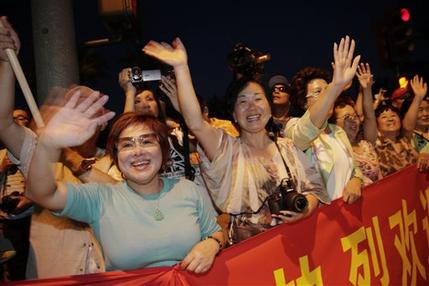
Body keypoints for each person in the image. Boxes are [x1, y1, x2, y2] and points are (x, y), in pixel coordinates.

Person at [143, 38, 329, 244]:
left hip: (296, 250)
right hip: (249, 255)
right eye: (243, 101)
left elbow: (314, 189)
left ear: (268, 105)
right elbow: (195, 122)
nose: (252, 107)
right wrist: (181, 67)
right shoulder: (226, 149)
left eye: (258, 99)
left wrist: (306, 209)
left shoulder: (288, 147)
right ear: (234, 114)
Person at [25, 89, 224, 273]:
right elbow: (42, 194)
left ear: (163, 151)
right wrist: (48, 143)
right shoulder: (100, 198)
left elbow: (216, 233)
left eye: (147, 141)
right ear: (116, 156)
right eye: (127, 145)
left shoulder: (188, 190)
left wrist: (212, 244)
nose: (138, 151)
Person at [285, 36, 363, 203]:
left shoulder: (338, 132)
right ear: (304, 102)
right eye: (319, 92)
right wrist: (335, 86)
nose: (328, 96)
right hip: (322, 222)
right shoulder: (293, 128)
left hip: (349, 219)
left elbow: (355, 170)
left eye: (328, 90)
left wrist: (355, 182)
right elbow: (304, 133)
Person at [329, 63, 382, 186]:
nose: (353, 120)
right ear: (334, 123)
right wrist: (338, 85)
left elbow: (369, 115)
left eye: (355, 116)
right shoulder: (334, 150)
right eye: (347, 117)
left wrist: (367, 89)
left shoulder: (366, 143)